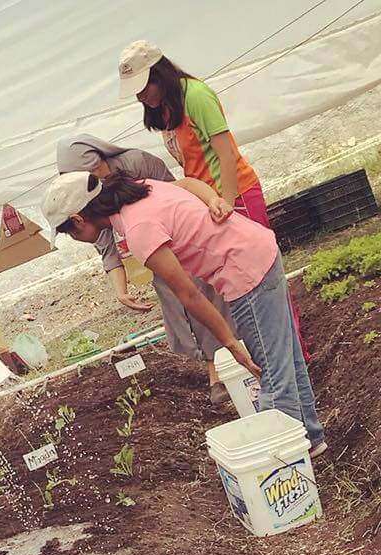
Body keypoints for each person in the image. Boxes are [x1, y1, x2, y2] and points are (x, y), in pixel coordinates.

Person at [43, 172, 326, 456]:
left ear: (78, 220)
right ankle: (311, 439)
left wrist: (229, 344)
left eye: (69, 232)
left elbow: (189, 294)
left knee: (273, 377)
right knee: (286, 358)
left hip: (246, 274)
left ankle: (283, 466)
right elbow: (189, 183)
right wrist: (211, 198)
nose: (74, 237)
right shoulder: (142, 189)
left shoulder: (139, 229)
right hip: (260, 249)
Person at [118, 40, 308, 358]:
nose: (140, 96)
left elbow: (225, 153)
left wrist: (229, 200)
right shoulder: (166, 107)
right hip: (208, 202)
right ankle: (268, 354)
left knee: (263, 280)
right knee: (237, 284)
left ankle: (292, 353)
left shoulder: (196, 95)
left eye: (143, 86)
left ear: (159, 72)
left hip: (235, 196)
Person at [56, 133, 237, 405]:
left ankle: (219, 373)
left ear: (100, 162)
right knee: (179, 304)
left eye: (93, 172)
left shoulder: (137, 163)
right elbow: (103, 240)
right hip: (151, 249)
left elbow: (175, 193)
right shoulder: (86, 196)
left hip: (178, 240)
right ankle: (213, 361)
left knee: (200, 295)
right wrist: (121, 290)